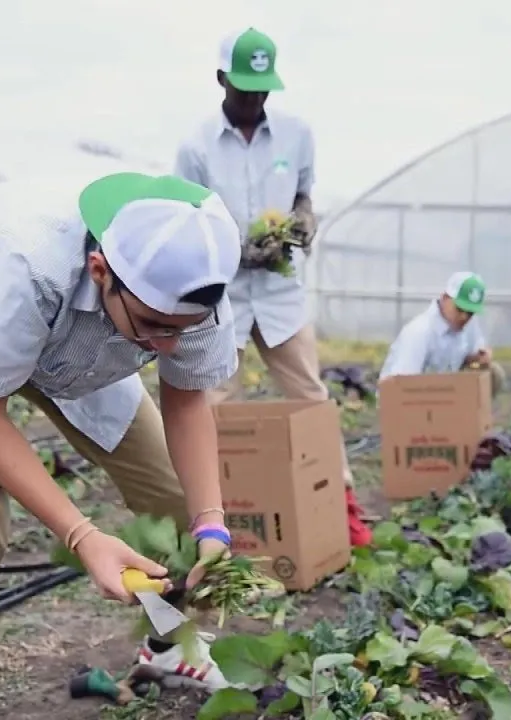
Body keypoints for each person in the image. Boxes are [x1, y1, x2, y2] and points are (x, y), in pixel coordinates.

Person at [0, 172, 245, 719]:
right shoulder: (26, 261)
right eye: (154, 326)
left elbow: (188, 397)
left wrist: (211, 524)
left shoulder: (195, 278)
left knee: (174, 498)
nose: (167, 344)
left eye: (182, 329)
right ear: (102, 272)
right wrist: (83, 536)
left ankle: (169, 647)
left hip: (85, 337)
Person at [173, 26, 373, 547]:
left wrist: (304, 221)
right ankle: (215, 520)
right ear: (221, 80)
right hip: (222, 300)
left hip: (282, 297)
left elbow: (304, 196)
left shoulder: (296, 135)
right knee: (212, 405)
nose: (255, 98)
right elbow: (187, 221)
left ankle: (341, 506)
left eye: (263, 87)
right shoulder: (196, 147)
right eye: (244, 88)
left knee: (310, 398)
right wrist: (236, 250)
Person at [379, 271, 508, 393]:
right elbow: (401, 384)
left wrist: (480, 357)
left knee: (493, 373)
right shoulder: (419, 332)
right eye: (459, 309)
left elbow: (474, 353)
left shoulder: (469, 325)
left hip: (443, 394)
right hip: (411, 399)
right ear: (445, 298)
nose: (464, 317)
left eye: (470, 312)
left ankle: (473, 413)